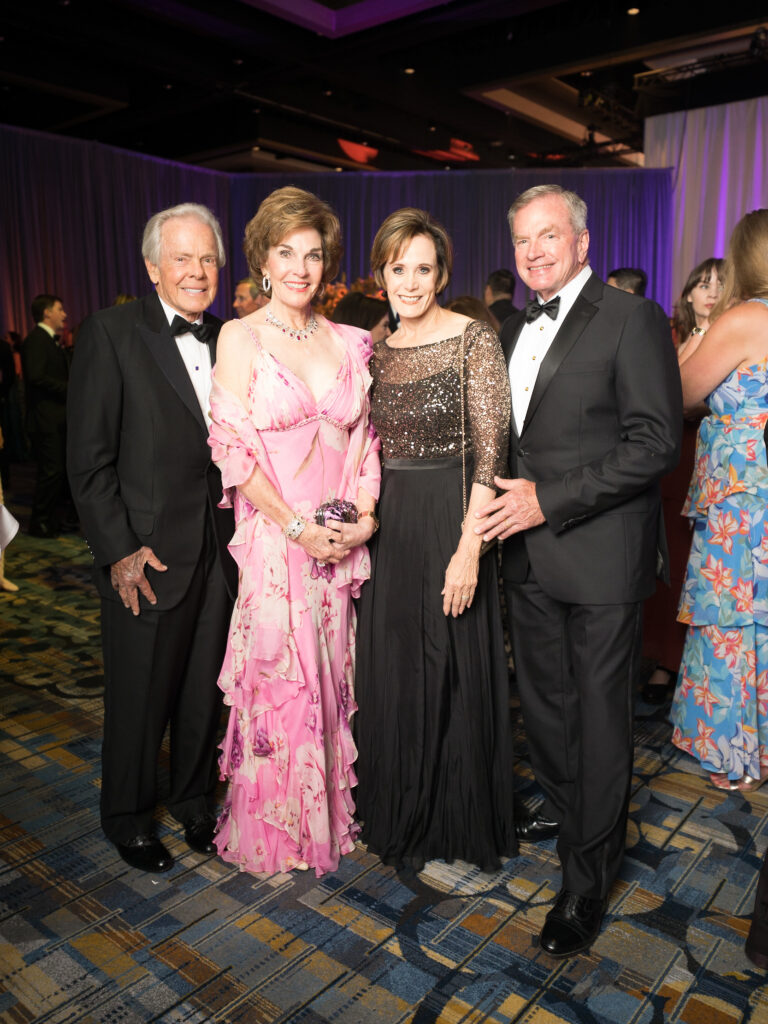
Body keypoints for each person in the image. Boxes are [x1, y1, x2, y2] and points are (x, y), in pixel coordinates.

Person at [476, 184, 681, 957]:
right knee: (551, 717)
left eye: (549, 235)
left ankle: (585, 884)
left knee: (598, 726)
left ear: (583, 242)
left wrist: (547, 501)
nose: (534, 251)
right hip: (528, 561)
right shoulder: (506, 328)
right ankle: (571, 814)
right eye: (523, 239)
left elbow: (654, 443)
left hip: (599, 558)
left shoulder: (632, 320)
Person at [210, 186, 381, 877]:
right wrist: (294, 528)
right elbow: (231, 452)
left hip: (338, 542)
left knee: (334, 679)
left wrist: (362, 519)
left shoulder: (350, 340)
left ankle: (327, 823)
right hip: (278, 544)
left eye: (313, 254)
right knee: (282, 682)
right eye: (287, 253)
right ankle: (277, 829)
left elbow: (365, 445)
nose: (302, 268)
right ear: (263, 259)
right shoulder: (241, 335)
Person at [67, 202, 237, 873]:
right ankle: (129, 815)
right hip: (146, 553)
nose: (196, 272)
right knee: (139, 695)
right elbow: (88, 458)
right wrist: (117, 550)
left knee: (203, 687)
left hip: (219, 554)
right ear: (152, 267)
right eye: (182, 258)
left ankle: (195, 798)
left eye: (206, 259)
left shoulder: (232, 338)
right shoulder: (111, 333)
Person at [355, 208, 517, 874]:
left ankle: (453, 818)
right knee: (393, 668)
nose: (412, 282)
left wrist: (469, 548)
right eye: (400, 269)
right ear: (381, 274)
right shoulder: (373, 345)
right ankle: (397, 811)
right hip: (390, 525)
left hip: (452, 516)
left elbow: (492, 451)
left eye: (425, 269)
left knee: (449, 667)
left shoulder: (474, 338)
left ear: (443, 274)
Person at [671, 210, 768, 794]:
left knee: (733, 616)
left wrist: (702, 334)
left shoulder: (744, 318)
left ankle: (736, 754)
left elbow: (680, 394)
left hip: (742, 493)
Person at [641, 258, 724, 704]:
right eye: (703, 283)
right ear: (689, 293)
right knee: (667, 562)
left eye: (719, 283)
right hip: (671, 462)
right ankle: (661, 656)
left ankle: (678, 663)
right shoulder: (687, 336)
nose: (711, 290)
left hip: (705, 458)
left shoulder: (726, 337)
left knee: (694, 564)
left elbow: (684, 402)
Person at [21, 294, 70, 537]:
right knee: (51, 472)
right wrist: (70, 389)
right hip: (45, 419)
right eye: (59, 309)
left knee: (56, 471)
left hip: (54, 418)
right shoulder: (37, 340)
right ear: (47, 313)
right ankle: (39, 522)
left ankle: (49, 520)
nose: (64, 314)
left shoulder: (48, 340)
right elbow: (36, 376)